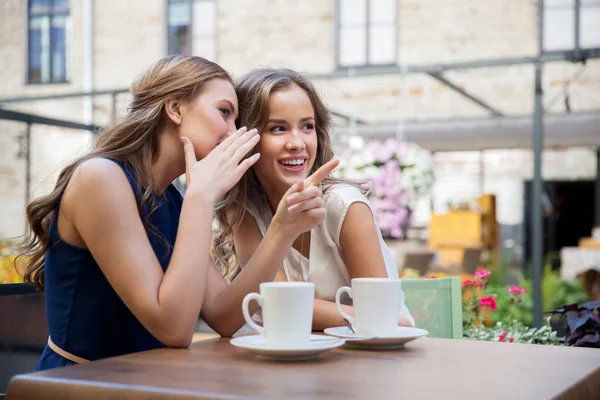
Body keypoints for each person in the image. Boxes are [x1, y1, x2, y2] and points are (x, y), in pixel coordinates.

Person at [19, 55, 335, 370]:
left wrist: (283, 230)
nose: (233, 132)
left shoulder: (171, 197)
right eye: (224, 112)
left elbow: (224, 316)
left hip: (146, 381)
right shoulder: (101, 178)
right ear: (175, 108)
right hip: (77, 384)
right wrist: (200, 197)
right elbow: (174, 329)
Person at [213, 68, 414, 331]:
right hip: (297, 359)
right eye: (277, 128)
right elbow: (279, 306)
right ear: (246, 138)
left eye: (307, 126)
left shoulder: (344, 207)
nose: (297, 142)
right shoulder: (244, 212)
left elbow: (386, 321)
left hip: (371, 358)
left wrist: (287, 307)